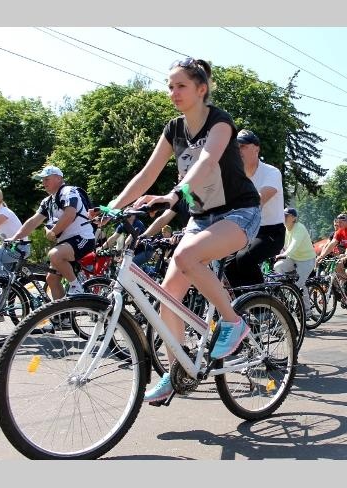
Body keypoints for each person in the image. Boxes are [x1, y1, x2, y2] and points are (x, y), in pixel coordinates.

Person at [102, 58, 261, 403]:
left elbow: (207, 161)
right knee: (167, 296)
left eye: (181, 86)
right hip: (202, 218)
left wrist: (175, 194)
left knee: (187, 256)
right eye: (170, 86)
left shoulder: (220, 122)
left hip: (239, 212)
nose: (173, 92)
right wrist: (113, 206)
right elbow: (147, 173)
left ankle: (233, 322)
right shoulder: (173, 129)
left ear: (201, 89)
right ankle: (177, 373)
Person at [11, 165, 96, 299]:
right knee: (51, 279)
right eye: (42, 180)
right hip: (66, 243)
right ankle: (62, 312)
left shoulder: (68, 191)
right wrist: (14, 238)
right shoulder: (47, 201)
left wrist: (53, 232)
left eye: (47, 179)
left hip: (83, 238)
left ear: (58, 178)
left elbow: (70, 214)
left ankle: (76, 287)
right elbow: (33, 221)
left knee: (54, 255)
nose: (43, 182)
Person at [223, 129, 285, 288]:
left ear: (256, 149)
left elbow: (258, 200)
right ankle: (244, 302)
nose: (238, 150)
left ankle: (262, 301)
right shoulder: (235, 176)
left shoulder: (271, 172)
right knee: (228, 265)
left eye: (243, 146)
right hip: (246, 232)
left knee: (244, 258)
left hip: (271, 232)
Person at [274, 208, 317, 313]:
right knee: (278, 266)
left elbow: (294, 244)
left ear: (294, 218)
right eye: (283, 215)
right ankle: (286, 291)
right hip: (292, 258)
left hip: (306, 259)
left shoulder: (299, 228)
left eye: (286, 215)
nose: (283, 217)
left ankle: (307, 310)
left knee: (299, 284)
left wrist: (283, 254)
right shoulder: (284, 228)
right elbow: (279, 244)